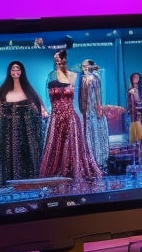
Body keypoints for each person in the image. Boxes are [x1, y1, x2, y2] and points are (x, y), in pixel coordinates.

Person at [39, 48, 101, 181]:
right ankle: (56, 172)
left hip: (70, 116)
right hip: (56, 118)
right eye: (57, 58)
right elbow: (47, 96)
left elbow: (81, 97)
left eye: (61, 57)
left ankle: (73, 171)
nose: (59, 60)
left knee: (73, 146)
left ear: (65, 59)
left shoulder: (74, 75)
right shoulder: (51, 76)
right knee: (55, 147)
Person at [0, 60, 47, 184]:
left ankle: (31, 179)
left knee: (28, 153)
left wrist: (42, 112)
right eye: (13, 69)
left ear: (22, 71)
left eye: (18, 69)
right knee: (10, 154)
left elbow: (39, 108)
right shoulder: (2, 92)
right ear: (9, 72)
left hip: (27, 131)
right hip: (9, 133)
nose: (16, 72)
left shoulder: (29, 91)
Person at [78, 59, 110, 172]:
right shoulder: (83, 78)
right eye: (83, 66)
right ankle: (93, 160)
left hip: (92, 110)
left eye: (85, 65)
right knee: (90, 133)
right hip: (87, 111)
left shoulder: (93, 78)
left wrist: (98, 107)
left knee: (95, 133)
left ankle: (97, 160)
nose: (83, 68)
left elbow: (97, 95)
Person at [126, 71, 142, 167]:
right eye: (134, 77)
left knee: (141, 133)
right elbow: (129, 102)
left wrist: (140, 105)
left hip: (141, 112)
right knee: (135, 134)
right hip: (134, 113)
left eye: (137, 77)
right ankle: (136, 157)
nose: (135, 79)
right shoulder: (130, 90)